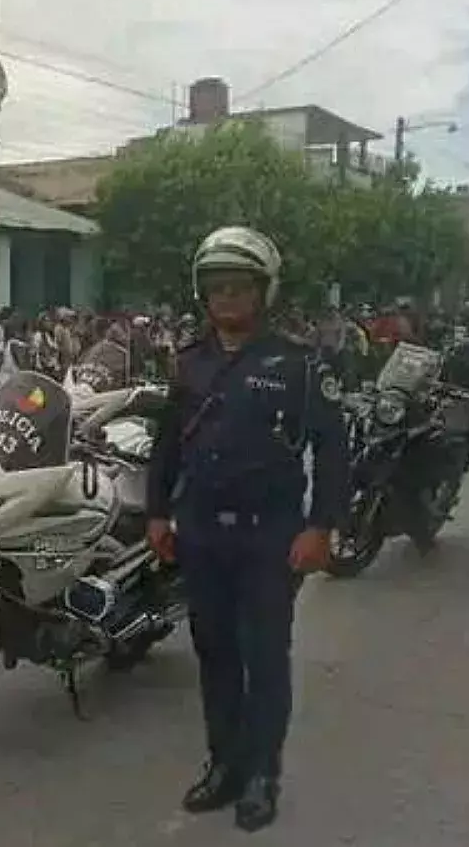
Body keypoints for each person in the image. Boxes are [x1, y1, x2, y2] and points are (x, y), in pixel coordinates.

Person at [145, 226, 349, 832]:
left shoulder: (297, 365)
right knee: (214, 655)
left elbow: (334, 449)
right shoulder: (188, 363)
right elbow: (165, 448)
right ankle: (225, 764)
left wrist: (321, 527)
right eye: (216, 287)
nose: (227, 298)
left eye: (239, 286)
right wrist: (158, 512)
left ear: (263, 292)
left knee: (264, 657)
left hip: (269, 538)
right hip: (202, 534)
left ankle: (262, 774)